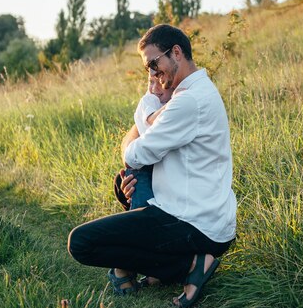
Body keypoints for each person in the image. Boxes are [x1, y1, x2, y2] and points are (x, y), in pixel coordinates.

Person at [68, 24, 237, 308]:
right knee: (125, 182)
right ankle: (162, 268)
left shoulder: (189, 101)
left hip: (193, 223)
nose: (152, 74)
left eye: (153, 64)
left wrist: (147, 107)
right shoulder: (188, 95)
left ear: (177, 52)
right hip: (198, 217)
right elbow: (138, 144)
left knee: (81, 243)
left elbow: (134, 154)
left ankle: (188, 266)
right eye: (148, 68)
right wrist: (146, 121)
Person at [122, 75, 173, 209]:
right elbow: (151, 119)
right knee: (142, 204)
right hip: (143, 166)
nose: (155, 88)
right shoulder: (150, 99)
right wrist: (173, 104)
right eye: (151, 82)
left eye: (161, 82)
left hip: (153, 161)